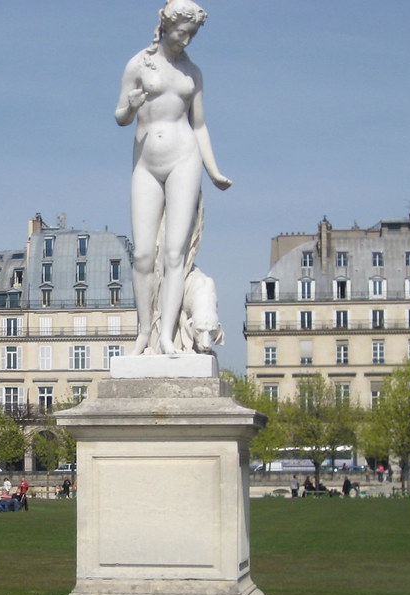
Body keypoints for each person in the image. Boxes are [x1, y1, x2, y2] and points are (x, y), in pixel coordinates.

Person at [115, 0, 230, 356]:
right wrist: (132, 104)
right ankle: (143, 333)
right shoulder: (139, 63)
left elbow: (199, 124)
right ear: (166, 27)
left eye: (192, 35)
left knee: (176, 254)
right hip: (146, 163)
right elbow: (120, 116)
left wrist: (213, 171)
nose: (187, 41)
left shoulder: (192, 73)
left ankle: (166, 335)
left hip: (185, 159)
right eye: (183, 33)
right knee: (144, 255)